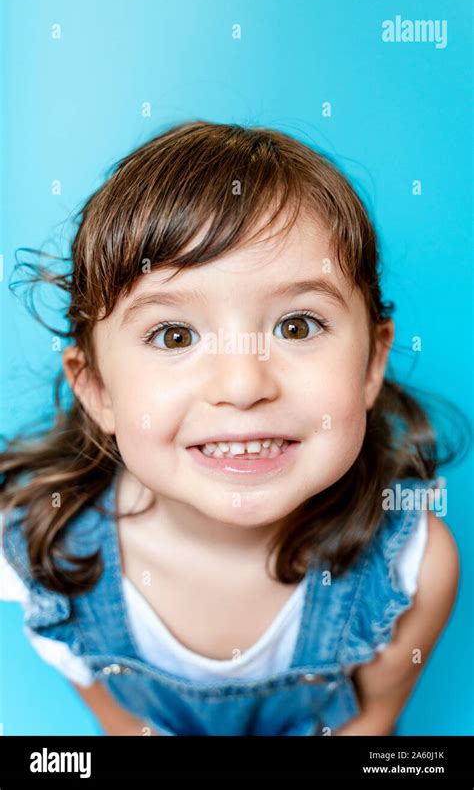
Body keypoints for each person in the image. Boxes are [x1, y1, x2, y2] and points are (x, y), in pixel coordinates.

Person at [0, 121, 461, 736]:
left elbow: (372, 723)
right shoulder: (47, 556)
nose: (243, 387)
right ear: (98, 390)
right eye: (175, 336)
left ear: (373, 363)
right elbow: (122, 725)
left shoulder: (412, 569)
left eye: (296, 326)